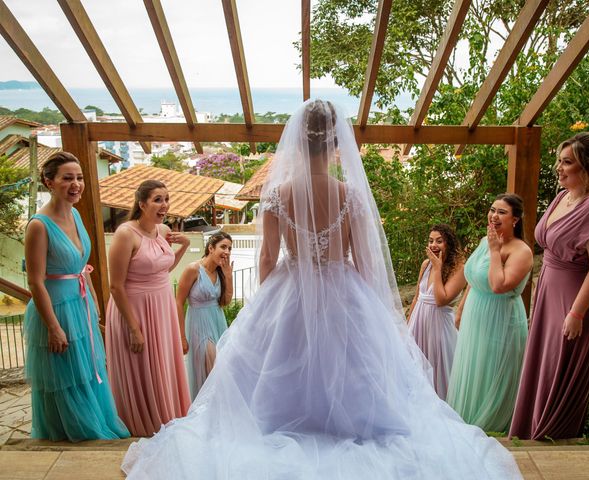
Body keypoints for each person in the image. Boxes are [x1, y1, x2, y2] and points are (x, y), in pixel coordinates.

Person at [121, 100, 522, 479]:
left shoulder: (278, 194)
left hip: (289, 287)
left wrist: (267, 303)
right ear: (334, 144)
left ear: (298, 141)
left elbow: (266, 257)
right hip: (342, 287)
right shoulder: (349, 195)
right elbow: (365, 261)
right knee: (348, 367)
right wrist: (371, 309)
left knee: (284, 368)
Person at [510, 132, 589, 440]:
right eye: (559, 160)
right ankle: (531, 435)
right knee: (542, 371)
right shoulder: (562, 196)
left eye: (567, 162)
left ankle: (552, 441)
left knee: (559, 377)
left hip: (576, 303)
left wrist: (577, 313)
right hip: (549, 295)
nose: (558, 167)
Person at [23, 152, 129, 441]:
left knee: (89, 371)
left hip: (80, 305)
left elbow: (83, 267)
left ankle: (97, 425)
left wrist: (93, 302)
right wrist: (54, 327)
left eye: (79, 178)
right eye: (67, 178)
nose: (76, 184)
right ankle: (73, 432)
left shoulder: (76, 214)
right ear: (50, 182)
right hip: (55, 309)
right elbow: (35, 282)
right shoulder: (38, 225)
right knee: (66, 377)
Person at [106, 180, 191, 437]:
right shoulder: (125, 234)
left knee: (163, 366)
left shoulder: (163, 230)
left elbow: (163, 269)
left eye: (166, 198)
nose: (164, 205)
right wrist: (134, 329)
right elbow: (115, 286)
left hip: (162, 309)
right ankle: (143, 424)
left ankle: (166, 418)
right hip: (135, 311)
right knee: (142, 370)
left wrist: (184, 246)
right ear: (141, 204)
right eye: (157, 199)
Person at [446, 194, 533, 433]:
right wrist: (462, 307)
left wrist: (495, 251)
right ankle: (464, 422)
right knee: (472, 367)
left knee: (492, 371)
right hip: (476, 315)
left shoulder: (521, 251)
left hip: (500, 320)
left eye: (502, 212)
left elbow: (498, 284)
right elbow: (473, 276)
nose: (494, 216)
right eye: (492, 210)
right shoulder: (487, 240)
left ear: (515, 219)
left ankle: (491, 427)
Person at [407, 224, 465, 400]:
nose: (433, 245)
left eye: (439, 241)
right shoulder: (426, 265)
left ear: (449, 243)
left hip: (439, 328)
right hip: (418, 323)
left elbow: (441, 300)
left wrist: (438, 268)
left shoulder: (459, 268)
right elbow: (417, 297)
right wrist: (408, 326)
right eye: (431, 241)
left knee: (438, 369)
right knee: (415, 367)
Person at [176, 232, 233, 399]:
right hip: (198, 324)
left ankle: (218, 408)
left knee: (221, 367)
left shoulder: (222, 272)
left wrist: (228, 276)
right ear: (210, 248)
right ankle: (206, 409)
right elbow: (178, 302)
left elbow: (226, 302)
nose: (227, 251)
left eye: (230, 248)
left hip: (218, 321)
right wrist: (181, 337)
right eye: (223, 246)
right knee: (211, 365)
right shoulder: (193, 269)